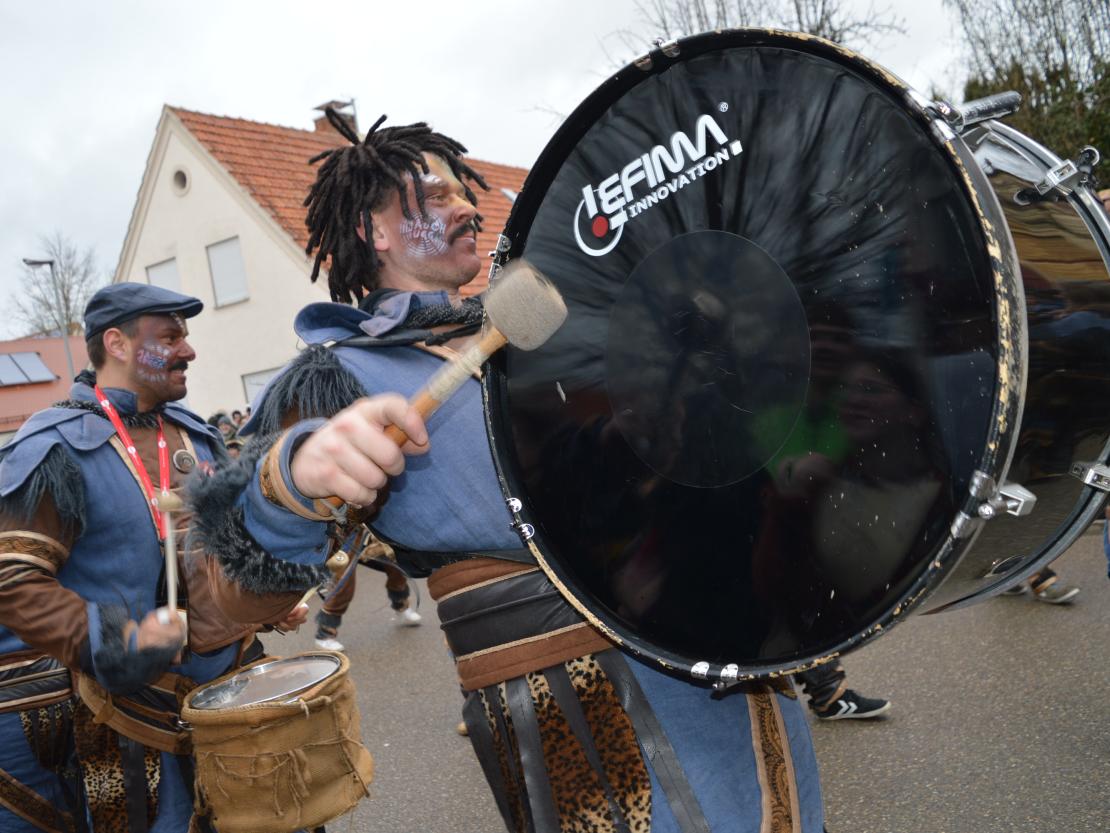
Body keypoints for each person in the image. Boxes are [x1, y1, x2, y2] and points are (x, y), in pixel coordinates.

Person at [193, 110, 825, 832]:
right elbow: (224, 603)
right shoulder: (337, 376)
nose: (467, 205)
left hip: (705, 640)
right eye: (434, 197)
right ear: (376, 233)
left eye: (466, 189)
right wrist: (293, 482)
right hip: (576, 695)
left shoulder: (520, 333)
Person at [0, 283, 305, 833]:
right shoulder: (54, 448)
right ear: (116, 343)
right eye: (169, 337)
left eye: (185, 336)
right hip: (127, 724)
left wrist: (259, 604)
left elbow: (220, 552)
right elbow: (14, 581)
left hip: (234, 707)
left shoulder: (198, 438)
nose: (188, 350)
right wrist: (114, 642)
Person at [314, 539, 422, 653]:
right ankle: (324, 634)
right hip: (347, 533)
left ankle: (401, 606)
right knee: (344, 582)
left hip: (372, 530)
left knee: (395, 564)